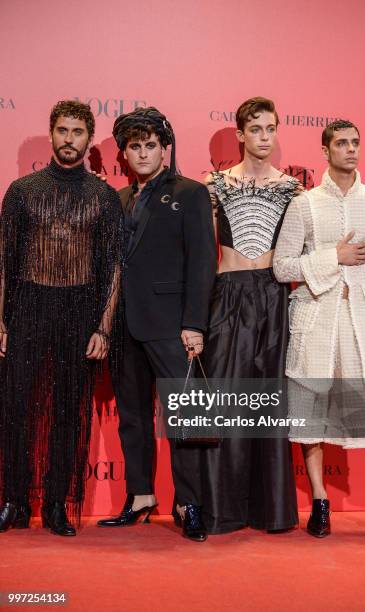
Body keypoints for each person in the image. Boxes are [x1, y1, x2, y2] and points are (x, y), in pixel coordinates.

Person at [273, 119, 365, 538]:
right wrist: (335, 255)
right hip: (317, 320)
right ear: (325, 151)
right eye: (341, 143)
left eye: (356, 142)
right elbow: (282, 267)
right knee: (310, 413)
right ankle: (319, 502)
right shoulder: (305, 204)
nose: (351, 149)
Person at [0, 100, 123, 536]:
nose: (69, 139)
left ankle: (56, 503)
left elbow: (112, 269)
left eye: (77, 132)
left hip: (79, 310)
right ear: (51, 133)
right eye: (62, 131)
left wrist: (103, 327)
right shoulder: (21, 191)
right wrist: (1, 322)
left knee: (69, 411)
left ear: (89, 140)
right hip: (29, 306)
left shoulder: (104, 198)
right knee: (16, 407)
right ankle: (14, 501)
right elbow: (4, 262)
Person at [96, 107, 216, 541]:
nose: (142, 153)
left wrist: (195, 324)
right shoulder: (120, 199)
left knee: (185, 419)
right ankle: (141, 496)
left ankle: (189, 503)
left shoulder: (192, 193)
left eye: (150, 145)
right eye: (134, 146)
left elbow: (203, 262)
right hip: (126, 326)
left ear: (165, 149)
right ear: (124, 153)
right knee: (132, 418)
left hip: (172, 326)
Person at [200, 97, 299, 534]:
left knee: (268, 402)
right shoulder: (214, 183)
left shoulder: (293, 188)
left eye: (270, 128)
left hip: (275, 295)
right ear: (240, 134)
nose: (264, 137)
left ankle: (270, 511)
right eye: (256, 129)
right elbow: (199, 253)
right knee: (226, 401)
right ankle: (223, 510)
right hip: (228, 293)